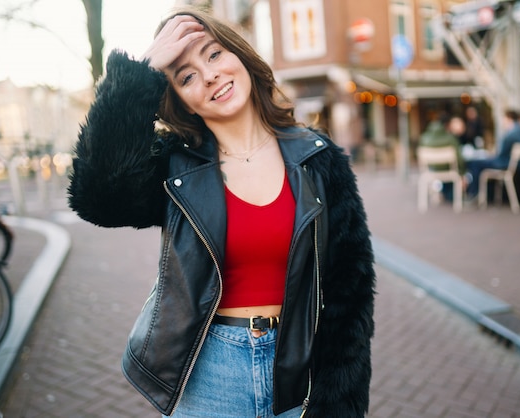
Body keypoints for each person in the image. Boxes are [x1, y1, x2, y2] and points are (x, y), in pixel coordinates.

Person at [67, 6, 375, 418]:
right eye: (186, 76)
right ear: (181, 101)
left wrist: (338, 399)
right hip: (209, 373)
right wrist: (141, 72)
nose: (209, 75)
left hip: (300, 367)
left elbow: (349, 290)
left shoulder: (317, 159)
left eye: (213, 55)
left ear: (239, 56)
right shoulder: (175, 168)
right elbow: (97, 199)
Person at [465, 109, 520, 199]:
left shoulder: (511, 134)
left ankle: (474, 193)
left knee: (474, 163)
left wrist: (490, 156)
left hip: (506, 164)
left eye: (503, 119)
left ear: (509, 119)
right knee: (480, 162)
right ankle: (478, 193)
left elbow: (501, 154)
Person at [418, 113, 466, 201]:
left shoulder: (424, 138)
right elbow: (459, 159)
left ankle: (444, 193)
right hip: (450, 170)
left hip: (431, 170)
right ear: (447, 125)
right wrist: (462, 173)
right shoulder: (451, 138)